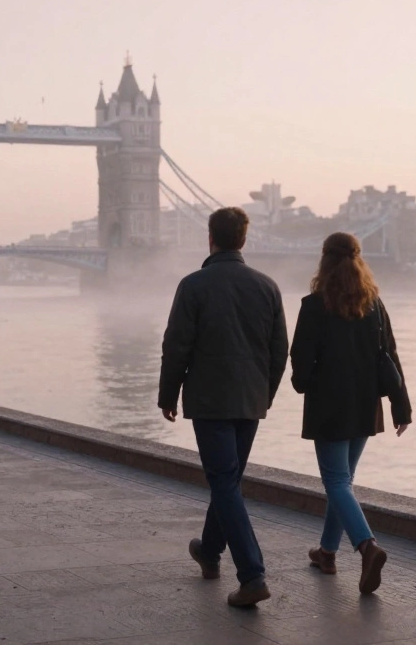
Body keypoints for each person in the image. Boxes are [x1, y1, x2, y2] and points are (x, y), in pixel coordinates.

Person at [158, 207, 288, 608]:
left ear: (210, 238)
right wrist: (263, 393)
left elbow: (176, 345)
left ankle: (252, 575)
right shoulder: (267, 287)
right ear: (244, 240)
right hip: (250, 400)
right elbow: (279, 350)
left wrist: (168, 394)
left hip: (210, 400)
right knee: (227, 480)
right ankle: (209, 552)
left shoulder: (193, 285)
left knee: (225, 481)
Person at [289, 232, 412, 595]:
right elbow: (390, 355)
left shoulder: (314, 306)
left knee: (337, 482)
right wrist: (401, 406)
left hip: (329, 408)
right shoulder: (373, 304)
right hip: (364, 406)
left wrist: (304, 382)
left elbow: (300, 363)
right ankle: (327, 552)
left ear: (324, 260)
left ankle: (366, 546)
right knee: (342, 482)